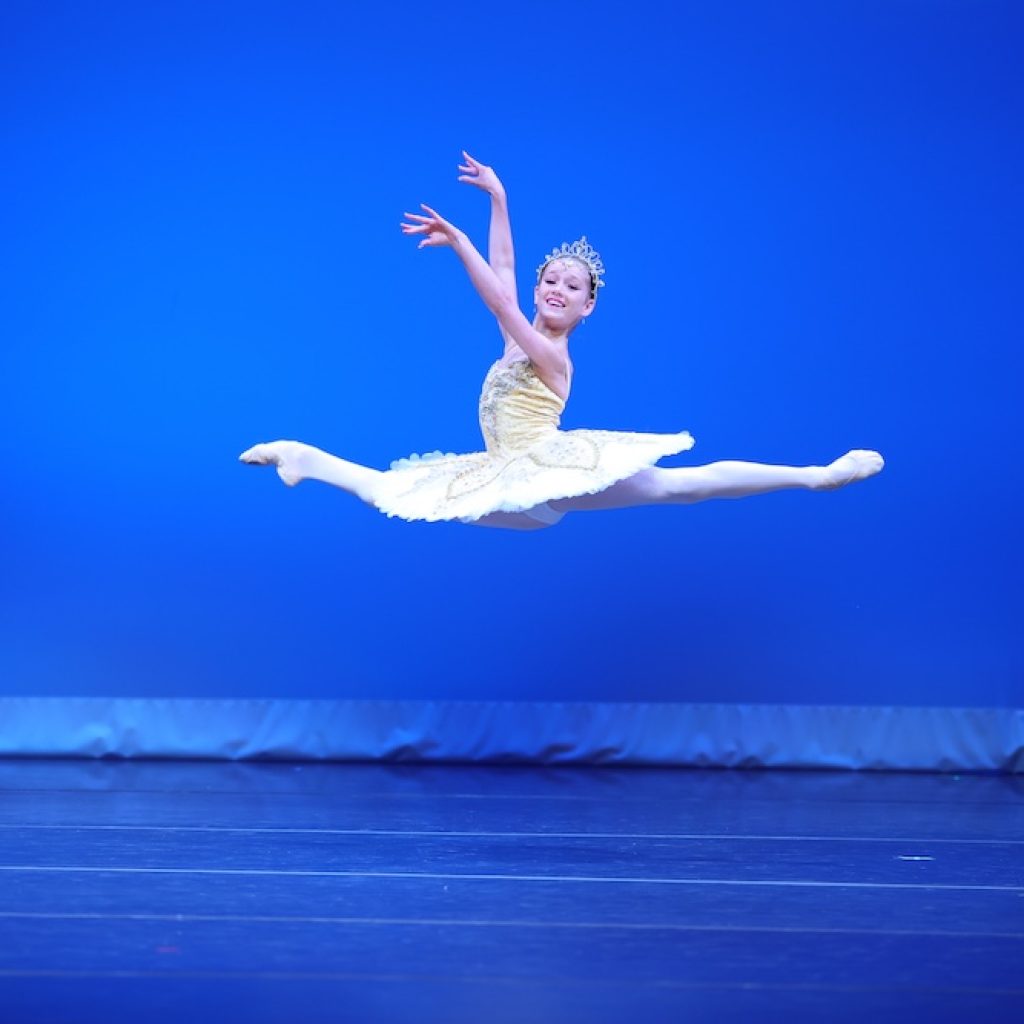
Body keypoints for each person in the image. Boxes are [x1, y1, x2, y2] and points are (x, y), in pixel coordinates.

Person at [240, 152, 883, 530]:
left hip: (550, 473)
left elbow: (497, 294)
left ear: (587, 306)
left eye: (570, 287)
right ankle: (301, 455)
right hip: (506, 478)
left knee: (679, 486)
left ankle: (816, 475)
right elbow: (507, 270)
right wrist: (498, 199)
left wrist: (458, 242)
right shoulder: (519, 340)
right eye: (551, 280)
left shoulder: (549, 354)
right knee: (389, 490)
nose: (553, 289)